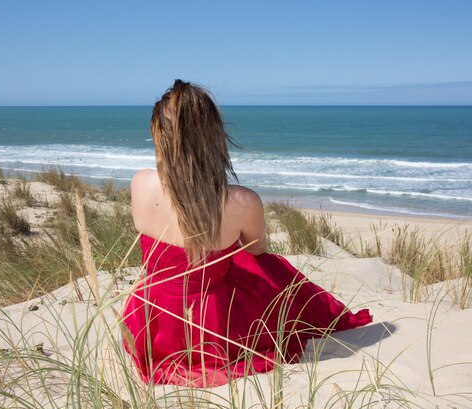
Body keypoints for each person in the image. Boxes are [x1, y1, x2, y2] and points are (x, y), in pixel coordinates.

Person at [122, 80, 372, 387]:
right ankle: (308, 314)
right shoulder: (241, 201)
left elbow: (151, 236)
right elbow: (257, 250)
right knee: (267, 265)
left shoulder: (140, 183)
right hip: (210, 326)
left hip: (151, 320)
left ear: (160, 136)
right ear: (213, 137)